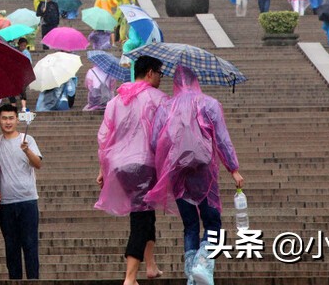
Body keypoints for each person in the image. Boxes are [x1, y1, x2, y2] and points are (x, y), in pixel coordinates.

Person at [146, 66, 244, 285]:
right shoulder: (209, 104)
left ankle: (192, 273)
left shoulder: (166, 107)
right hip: (205, 172)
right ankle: (203, 264)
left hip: (178, 173)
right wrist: (233, 168)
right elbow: (221, 139)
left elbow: (154, 142)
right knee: (213, 223)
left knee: (190, 224)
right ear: (195, 81)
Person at [96, 55, 166, 285]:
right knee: (141, 218)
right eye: (160, 74)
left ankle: (151, 266)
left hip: (120, 165)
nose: (161, 78)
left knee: (146, 212)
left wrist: (103, 168)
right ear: (149, 73)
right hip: (144, 165)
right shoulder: (157, 99)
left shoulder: (117, 99)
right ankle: (130, 277)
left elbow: (105, 136)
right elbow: (167, 134)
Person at [0, 102, 42, 280]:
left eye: (11, 118)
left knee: (30, 245)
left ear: (17, 119)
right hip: (6, 203)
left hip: (28, 200)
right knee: (11, 247)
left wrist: (27, 150)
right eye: (4, 118)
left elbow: (38, 164)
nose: (8, 122)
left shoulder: (27, 139)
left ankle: (33, 280)